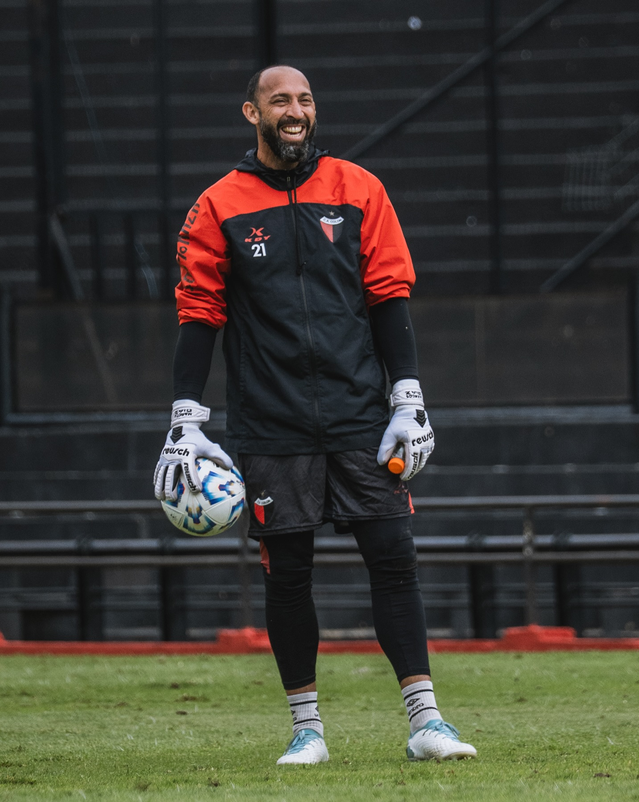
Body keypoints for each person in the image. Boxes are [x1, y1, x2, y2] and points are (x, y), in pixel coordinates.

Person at [154, 65, 476, 766]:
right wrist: (185, 418)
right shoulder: (218, 204)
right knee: (288, 573)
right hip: (271, 424)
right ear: (252, 113)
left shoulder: (360, 188)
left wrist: (409, 399)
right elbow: (198, 312)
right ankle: (308, 731)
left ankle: (427, 723)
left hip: (362, 416)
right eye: (279, 100)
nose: (295, 110)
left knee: (394, 560)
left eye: (303, 99)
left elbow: (390, 295)